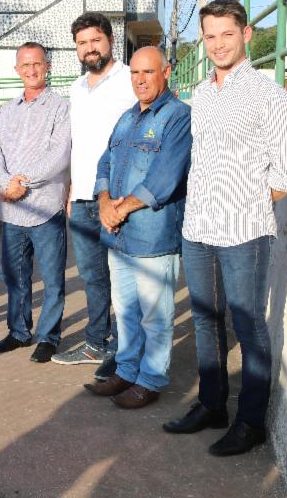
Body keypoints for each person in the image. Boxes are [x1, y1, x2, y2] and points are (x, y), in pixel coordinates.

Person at [162, 0, 287, 456]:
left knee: (248, 325)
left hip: (245, 231)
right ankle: (212, 405)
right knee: (205, 320)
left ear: (245, 34)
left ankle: (251, 422)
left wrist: (247, 202)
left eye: (227, 33)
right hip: (198, 225)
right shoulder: (201, 94)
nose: (218, 43)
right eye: (210, 36)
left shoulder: (269, 95)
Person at [84, 47, 191, 410]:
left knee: (155, 315)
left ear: (166, 72)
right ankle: (126, 370)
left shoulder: (178, 117)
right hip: (119, 235)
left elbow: (166, 178)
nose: (141, 80)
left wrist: (121, 208)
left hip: (152, 237)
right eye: (135, 73)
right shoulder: (127, 118)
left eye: (148, 72)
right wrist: (102, 202)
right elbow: (105, 160)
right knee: (125, 310)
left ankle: (150, 379)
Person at [51, 12, 136, 382]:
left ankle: (124, 346)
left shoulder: (130, 79)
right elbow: (77, 144)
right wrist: (71, 187)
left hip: (116, 199)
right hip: (82, 197)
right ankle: (95, 341)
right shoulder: (76, 88)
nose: (90, 48)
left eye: (95, 40)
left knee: (123, 276)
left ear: (110, 41)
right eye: (82, 43)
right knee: (92, 275)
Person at [0, 42, 71, 363]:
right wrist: (6, 182)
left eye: (37, 64)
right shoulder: (7, 110)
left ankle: (49, 337)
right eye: (25, 65)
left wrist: (23, 181)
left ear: (47, 66)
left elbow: (59, 156)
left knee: (52, 278)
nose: (31, 70)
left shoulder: (60, 107)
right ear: (17, 70)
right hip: (12, 210)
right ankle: (19, 332)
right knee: (15, 276)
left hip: (45, 208)